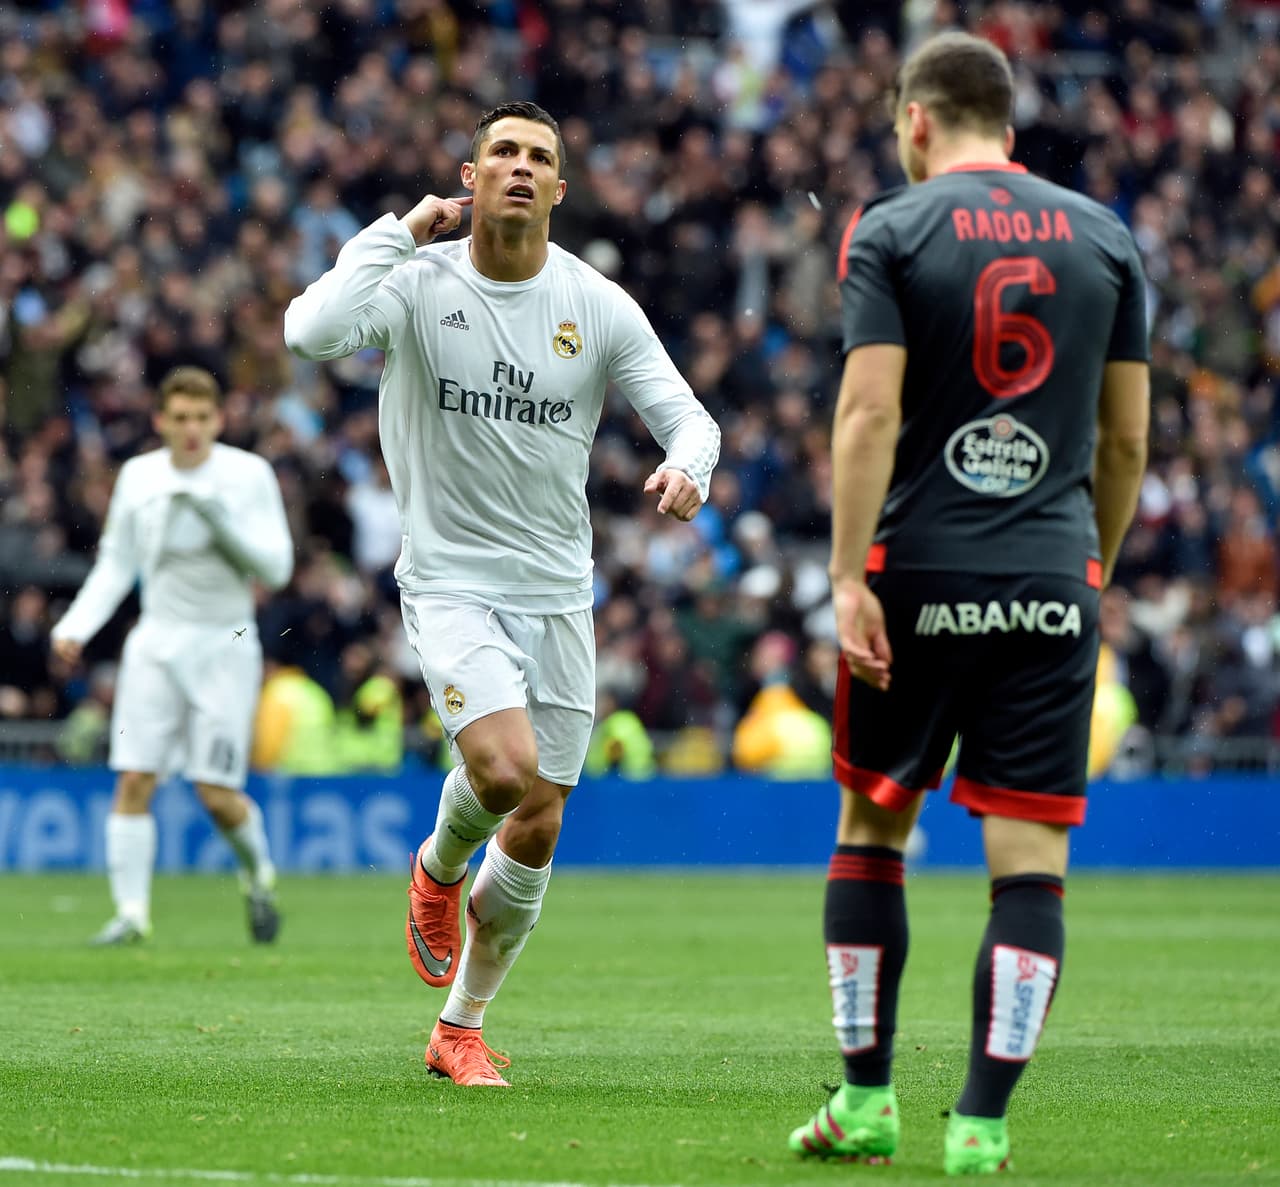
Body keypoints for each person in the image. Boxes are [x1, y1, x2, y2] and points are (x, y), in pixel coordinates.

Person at [284, 101, 720, 1087]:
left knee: (537, 818)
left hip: (558, 594)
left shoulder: (596, 303)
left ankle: (458, 1026)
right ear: (471, 176)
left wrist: (687, 468)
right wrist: (400, 229)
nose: (520, 168)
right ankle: (438, 866)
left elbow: (689, 419)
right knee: (504, 769)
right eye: (502, 154)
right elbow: (308, 332)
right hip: (448, 581)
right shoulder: (412, 283)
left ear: (559, 188)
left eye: (538, 157)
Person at [788, 33, 1149, 1174]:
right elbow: (1126, 434)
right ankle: (982, 1126)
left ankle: (865, 1101)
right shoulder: (1103, 235)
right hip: (1049, 572)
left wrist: (847, 574)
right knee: (1029, 864)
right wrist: (1079, 562)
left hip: (918, 568)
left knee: (872, 826)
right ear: (1008, 120)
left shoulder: (889, 228)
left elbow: (864, 416)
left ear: (912, 121)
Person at [50, 366, 294, 945]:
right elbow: (116, 563)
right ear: (159, 420)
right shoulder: (138, 476)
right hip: (156, 641)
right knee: (135, 777)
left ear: (219, 420)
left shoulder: (246, 475)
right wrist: (76, 626)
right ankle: (132, 915)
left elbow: (277, 568)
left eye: (201, 418)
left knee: (215, 794)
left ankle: (259, 878)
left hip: (225, 644)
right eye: (179, 418)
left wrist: (215, 520)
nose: (190, 430)